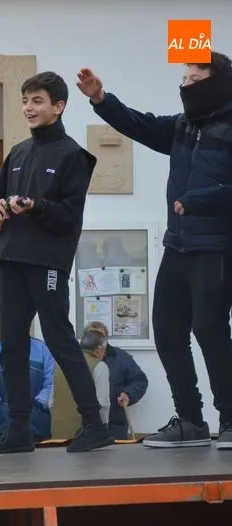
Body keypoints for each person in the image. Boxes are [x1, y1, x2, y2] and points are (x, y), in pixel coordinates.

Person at [76, 53, 232, 450]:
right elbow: (139, 124)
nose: (186, 85)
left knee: (210, 330)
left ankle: (230, 419)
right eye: (184, 78)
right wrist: (101, 99)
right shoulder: (182, 126)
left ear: (218, 81)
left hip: (216, 246)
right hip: (178, 246)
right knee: (166, 330)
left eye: (195, 78)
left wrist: (199, 200)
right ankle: (191, 421)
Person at [0, 71, 113, 455]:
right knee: (12, 345)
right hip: (11, 257)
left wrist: (35, 206)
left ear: (58, 106)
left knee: (59, 339)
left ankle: (95, 425)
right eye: (25, 101)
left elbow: (69, 216)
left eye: (37, 101)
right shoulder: (18, 153)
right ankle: (19, 430)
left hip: (47, 261)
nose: (28, 108)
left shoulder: (74, 155)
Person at [0, 337, 55, 442]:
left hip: (37, 425)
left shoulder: (42, 350)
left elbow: (50, 382)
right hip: (3, 426)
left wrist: (40, 403)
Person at [82, 321, 148, 440]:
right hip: (81, 425)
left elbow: (139, 380)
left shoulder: (121, 357)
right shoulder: (77, 359)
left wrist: (128, 394)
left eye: (100, 337)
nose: (96, 340)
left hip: (115, 425)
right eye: (92, 336)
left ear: (106, 339)